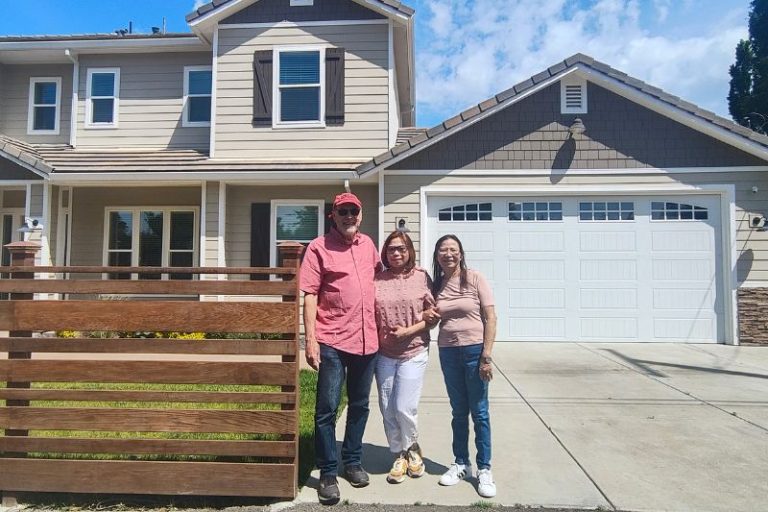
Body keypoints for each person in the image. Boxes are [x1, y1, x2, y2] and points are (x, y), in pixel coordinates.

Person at [300, 192, 381, 505]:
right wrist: (310, 339)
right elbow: (309, 294)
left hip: (367, 341)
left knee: (360, 405)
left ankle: (353, 461)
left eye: (354, 211)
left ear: (360, 215)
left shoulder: (369, 245)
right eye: (343, 212)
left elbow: (381, 283)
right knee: (326, 410)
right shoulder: (318, 248)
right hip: (332, 339)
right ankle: (328, 472)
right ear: (332, 215)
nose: (349, 217)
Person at [424, 234, 498, 498]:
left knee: (479, 412)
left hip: (474, 350)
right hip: (448, 352)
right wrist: (427, 317)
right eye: (443, 250)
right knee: (458, 411)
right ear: (437, 256)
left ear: (461, 253)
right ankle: (461, 463)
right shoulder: (437, 285)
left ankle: (484, 469)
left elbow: (490, 317)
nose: (448, 254)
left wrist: (486, 355)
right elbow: (433, 321)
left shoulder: (475, 278)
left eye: (453, 249)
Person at [374, 231, 435, 484]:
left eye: (401, 248)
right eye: (391, 249)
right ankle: (398, 453)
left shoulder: (421, 277)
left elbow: (432, 315)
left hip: (414, 350)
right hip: (383, 353)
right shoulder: (376, 279)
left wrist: (408, 331)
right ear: (385, 253)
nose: (396, 253)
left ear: (409, 251)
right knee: (387, 407)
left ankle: (412, 449)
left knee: (403, 406)